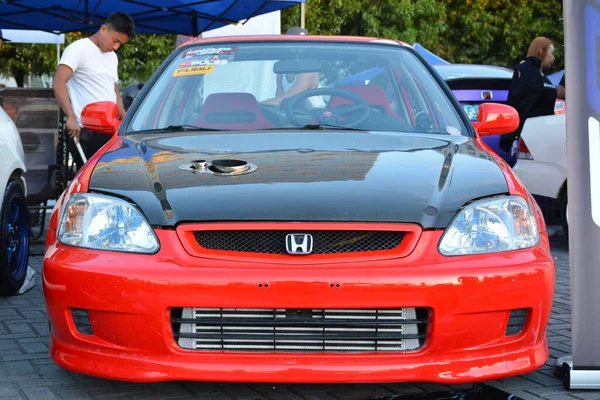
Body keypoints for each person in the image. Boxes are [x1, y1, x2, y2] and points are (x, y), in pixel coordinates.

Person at [53, 12, 135, 170]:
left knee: (109, 176)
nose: (116, 47)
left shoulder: (113, 57)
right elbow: (58, 83)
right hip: (86, 130)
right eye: (115, 40)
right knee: (90, 178)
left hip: (110, 130)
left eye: (120, 44)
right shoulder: (78, 49)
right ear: (103, 29)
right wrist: (70, 116)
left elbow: (114, 90)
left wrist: (125, 119)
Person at [500, 37, 558, 156]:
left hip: (541, 136)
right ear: (542, 51)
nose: (554, 58)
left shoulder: (539, 76)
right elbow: (521, 104)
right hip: (530, 137)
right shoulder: (527, 71)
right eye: (551, 53)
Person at [261, 27, 325, 108]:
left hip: (315, 118)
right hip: (290, 116)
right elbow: (278, 102)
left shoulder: (309, 70)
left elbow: (291, 96)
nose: (298, 49)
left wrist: (259, 104)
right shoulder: (282, 71)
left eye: (303, 45)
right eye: (294, 44)